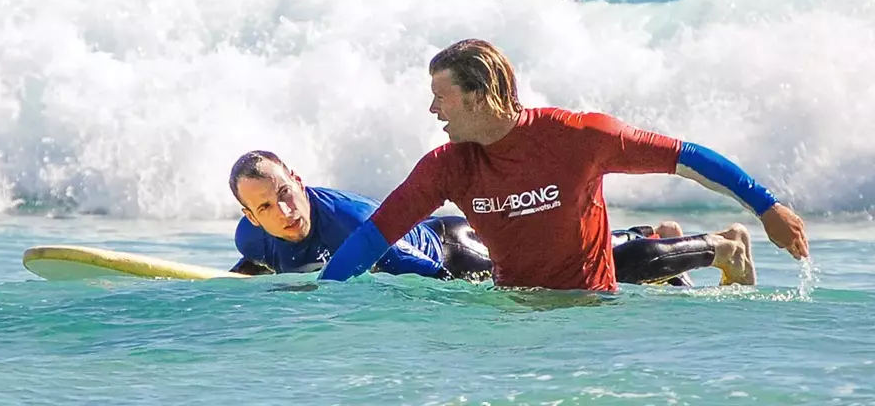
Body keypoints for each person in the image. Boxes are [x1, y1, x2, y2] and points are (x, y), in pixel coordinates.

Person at [319, 38, 809, 290]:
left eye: (440, 97)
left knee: (632, 262)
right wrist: (325, 295)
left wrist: (767, 207)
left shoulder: (578, 136)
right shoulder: (447, 165)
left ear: (478, 96)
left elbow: (685, 158)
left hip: (592, 306)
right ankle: (676, 241)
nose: (433, 110)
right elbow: (376, 232)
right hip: (517, 305)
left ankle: (721, 247)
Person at [228, 150, 758, 286]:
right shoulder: (252, 238)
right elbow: (263, 258)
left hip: (457, 253)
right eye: (267, 208)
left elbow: (428, 275)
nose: (286, 211)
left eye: (286, 192)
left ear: (296, 179)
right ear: (250, 216)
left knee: (567, 281)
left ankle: (720, 244)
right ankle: (645, 235)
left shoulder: (348, 219)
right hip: (443, 243)